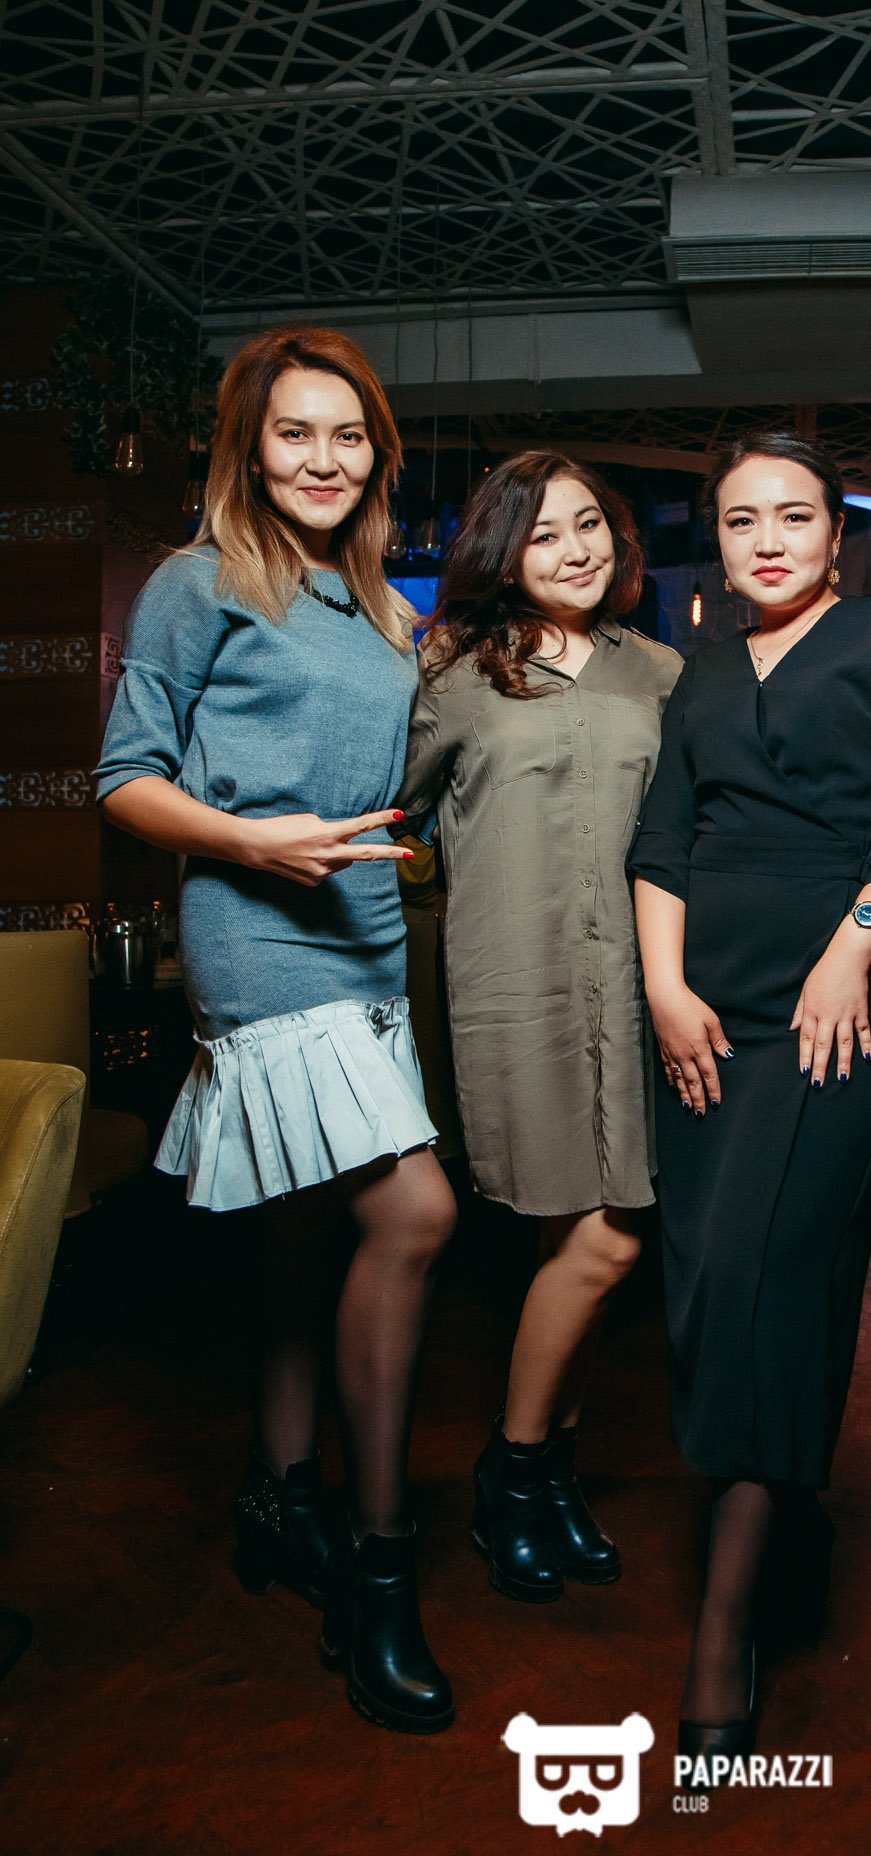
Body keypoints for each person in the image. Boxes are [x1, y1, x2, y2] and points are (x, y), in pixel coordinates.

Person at [95, 327, 457, 1735]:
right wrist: (256, 842)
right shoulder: (198, 582)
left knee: (309, 1236)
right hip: (259, 933)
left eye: (348, 435)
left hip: (367, 943)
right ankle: (378, 1566)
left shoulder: (380, 610)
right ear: (249, 447)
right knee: (414, 1213)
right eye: (295, 432)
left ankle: (278, 1494)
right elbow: (124, 780)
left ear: (378, 456)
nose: (323, 458)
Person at [630, 430, 871, 1773]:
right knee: (710, 1269)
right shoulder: (701, 670)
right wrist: (663, 988)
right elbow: (662, 840)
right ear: (716, 540)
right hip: (706, 1010)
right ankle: (782, 1494)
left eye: (795, 515)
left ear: (837, 531)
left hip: (840, 1001)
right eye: (740, 519)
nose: (767, 539)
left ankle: (724, 1622)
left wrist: (849, 953)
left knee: (764, 1262)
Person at [397, 451, 681, 1603]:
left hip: (637, 989)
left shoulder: (659, 671)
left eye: (591, 524)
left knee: (596, 1244)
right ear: (502, 551)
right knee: (593, 1240)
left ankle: (544, 1473)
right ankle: (513, 1474)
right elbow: (392, 812)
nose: (575, 549)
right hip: (515, 985)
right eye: (545, 531)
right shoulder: (456, 674)